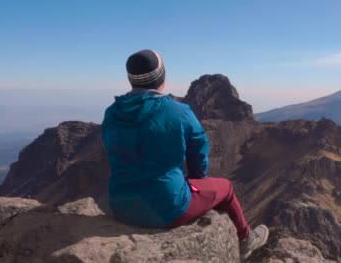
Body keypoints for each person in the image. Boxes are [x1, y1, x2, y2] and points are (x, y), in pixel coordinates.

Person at [101, 49, 268, 260]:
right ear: (162, 77)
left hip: (119, 205)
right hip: (166, 209)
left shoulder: (112, 112)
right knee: (226, 188)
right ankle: (245, 240)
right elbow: (198, 154)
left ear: (131, 79)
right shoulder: (179, 112)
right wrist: (197, 182)